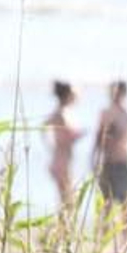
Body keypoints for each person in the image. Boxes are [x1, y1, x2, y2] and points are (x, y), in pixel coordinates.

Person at [93, 80, 127, 250]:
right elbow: (98, 136)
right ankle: (104, 244)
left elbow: (124, 136)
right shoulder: (105, 111)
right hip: (107, 162)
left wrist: (110, 139)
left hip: (122, 162)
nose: (113, 95)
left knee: (125, 204)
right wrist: (95, 156)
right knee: (106, 205)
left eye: (116, 92)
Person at [41, 80, 82, 211]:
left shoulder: (62, 112)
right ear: (67, 95)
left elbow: (45, 126)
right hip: (61, 160)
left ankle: (64, 227)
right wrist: (50, 145)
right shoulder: (61, 113)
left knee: (67, 197)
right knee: (67, 198)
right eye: (74, 94)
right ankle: (63, 227)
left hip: (62, 158)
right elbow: (67, 135)